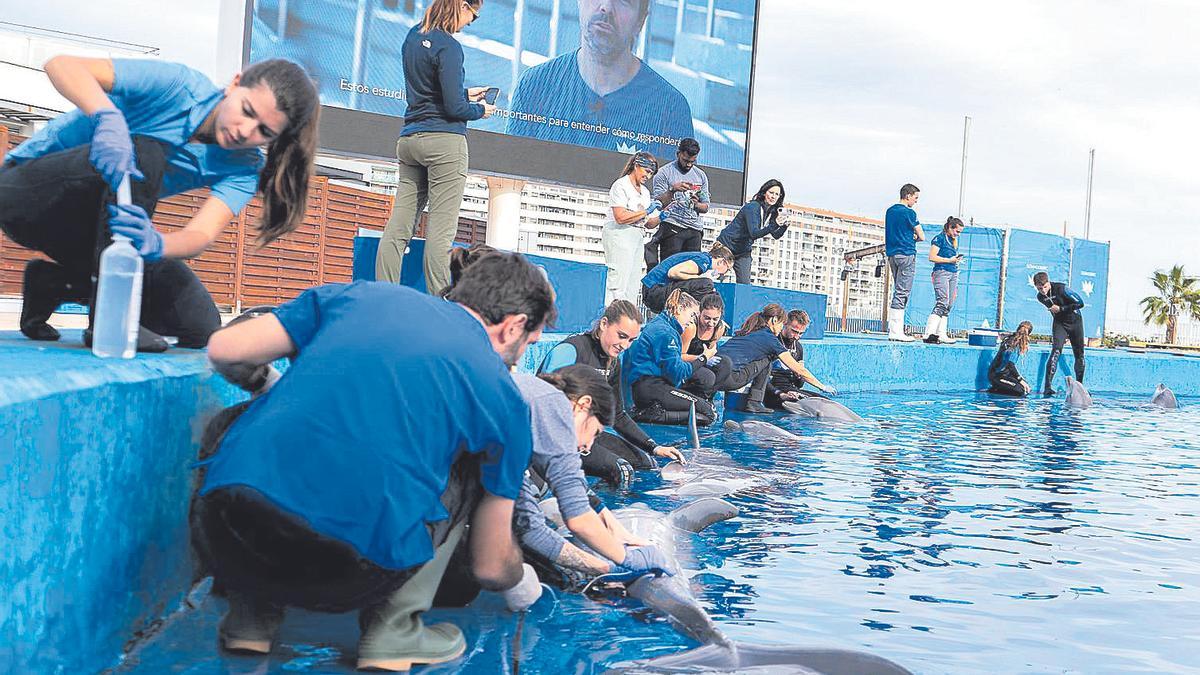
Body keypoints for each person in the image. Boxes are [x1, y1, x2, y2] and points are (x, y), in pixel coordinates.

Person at [192, 252, 555, 671]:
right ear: (513, 326)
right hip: (350, 572)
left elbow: (224, 348)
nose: (519, 359)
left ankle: (250, 620)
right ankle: (393, 633)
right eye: (527, 344)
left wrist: (269, 387)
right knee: (474, 464)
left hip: (228, 537)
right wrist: (521, 581)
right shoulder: (504, 399)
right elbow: (490, 566)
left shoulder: (359, 296)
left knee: (241, 423)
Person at [0, 55, 319, 351]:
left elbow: (201, 236)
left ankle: (54, 283)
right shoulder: (179, 86)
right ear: (234, 84)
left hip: (95, 228)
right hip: (24, 196)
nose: (245, 131)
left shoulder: (243, 166)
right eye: (247, 110)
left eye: (264, 131)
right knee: (147, 151)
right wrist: (107, 117)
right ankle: (111, 319)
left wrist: (157, 243)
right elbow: (61, 65)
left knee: (199, 325)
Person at [375, 0, 496, 293]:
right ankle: (439, 304)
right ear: (462, 6)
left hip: (410, 140)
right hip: (444, 143)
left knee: (398, 228)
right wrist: (480, 110)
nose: (469, 23)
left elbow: (429, 92)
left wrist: (466, 93)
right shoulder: (449, 46)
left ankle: (383, 295)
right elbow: (454, 108)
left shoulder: (412, 37)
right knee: (440, 236)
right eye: (473, 15)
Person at [511, 366, 670, 585]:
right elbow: (547, 526)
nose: (587, 447)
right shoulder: (550, 411)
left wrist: (614, 527)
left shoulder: (526, 399)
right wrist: (617, 563)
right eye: (595, 433)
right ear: (583, 404)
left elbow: (567, 485)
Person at [504, 0, 694, 159]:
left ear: (640, 21)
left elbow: (675, 198)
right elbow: (509, 179)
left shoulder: (671, 108)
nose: (606, 7)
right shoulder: (533, 86)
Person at [540, 300, 685, 487]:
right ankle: (599, 511)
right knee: (621, 469)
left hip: (587, 435)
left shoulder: (613, 362)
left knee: (646, 463)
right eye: (621, 336)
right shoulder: (571, 350)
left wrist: (654, 447)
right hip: (556, 436)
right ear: (604, 324)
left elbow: (618, 415)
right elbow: (544, 405)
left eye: (631, 340)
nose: (625, 345)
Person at [703, 303, 822, 414]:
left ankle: (707, 400)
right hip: (732, 380)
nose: (780, 328)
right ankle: (754, 402)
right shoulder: (770, 339)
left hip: (712, 378)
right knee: (766, 360)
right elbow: (800, 370)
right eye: (781, 324)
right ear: (775, 320)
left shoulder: (749, 331)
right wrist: (822, 386)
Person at [623, 290, 717, 426]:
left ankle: (655, 411)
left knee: (703, 390)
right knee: (708, 413)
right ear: (679, 309)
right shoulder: (665, 333)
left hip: (649, 386)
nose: (692, 321)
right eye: (691, 315)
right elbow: (678, 372)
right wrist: (704, 358)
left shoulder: (662, 324)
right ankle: (648, 415)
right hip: (650, 388)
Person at [602, 152, 661, 304]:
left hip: (637, 235)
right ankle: (611, 314)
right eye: (647, 171)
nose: (648, 176)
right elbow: (620, 216)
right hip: (619, 233)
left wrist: (663, 216)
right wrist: (645, 211)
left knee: (633, 281)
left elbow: (647, 222)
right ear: (636, 166)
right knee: (618, 278)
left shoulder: (645, 192)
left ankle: (627, 317)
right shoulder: (621, 185)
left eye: (651, 174)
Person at [644, 138, 710, 268]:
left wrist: (696, 204)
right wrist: (672, 190)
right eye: (686, 160)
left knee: (690, 274)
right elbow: (659, 204)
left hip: (694, 230)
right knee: (670, 270)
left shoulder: (701, 176)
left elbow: (706, 206)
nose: (689, 165)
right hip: (672, 226)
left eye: (692, 161)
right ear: (678, 154)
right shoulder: (664, 173)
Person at [716, 179, 790, 284]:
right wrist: (775, 224)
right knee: (716, 279)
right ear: (764, 192)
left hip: (743, 251)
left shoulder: (772, 211)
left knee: (745, 284)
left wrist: (784, 226)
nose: (773, 196)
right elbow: (754, 233)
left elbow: (776, 235)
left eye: (777, 194)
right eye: (771, 192)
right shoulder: (753, 207)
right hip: (726, 246)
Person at [763, 309, 836, 409]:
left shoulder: (798, 347)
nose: (797, 336)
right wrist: (822, 387)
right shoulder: (774, 342)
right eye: (794, 331)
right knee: (814, 408)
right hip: (774, 392)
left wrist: (798, 377)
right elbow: (761, 379)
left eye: (801, 333)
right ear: (785, 324)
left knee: (827, 404)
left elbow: (799, 384)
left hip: (792, 391)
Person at [641, 243, 734, 314]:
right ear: (721, 262)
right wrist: (699, 278)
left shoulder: (702, 258)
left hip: (654, 290)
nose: (725, 272)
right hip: (654, 291)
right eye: (727, 269)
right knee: (707, 284)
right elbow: (673, 272)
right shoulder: (704, 261)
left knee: (710, 291)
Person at [1033, 271, 1087, 396]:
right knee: (1056, 351)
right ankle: (1047, 387)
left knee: (1079, 354)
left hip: (1075, 322)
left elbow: (1080, 303)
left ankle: (1080, 387)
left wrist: (1061, 309)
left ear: (1049, 283)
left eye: (1045, 287)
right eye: (1040, 288)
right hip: (1060, 323)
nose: (1043, 291)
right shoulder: (1040, 297)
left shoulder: (1062, 289)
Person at [884, 183, 924, 342]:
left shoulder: (890, 211)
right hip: (907, 254)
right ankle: (895, 332)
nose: (916, 201)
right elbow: (921, 236)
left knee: (898, 290)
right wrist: (915, 238)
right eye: (915, 198)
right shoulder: (910, 213)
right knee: (902, 292)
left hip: (892, 255)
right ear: (908, 195)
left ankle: (895, 330)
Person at [923, 216, 965, 345]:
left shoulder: (953, 241)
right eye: (957, 231)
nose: (958, 234)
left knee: (949, 304)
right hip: (941, 272)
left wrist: (955, 260)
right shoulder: (939, 238)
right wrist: (949, 260)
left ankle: (941, 334)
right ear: (950, 227)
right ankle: (929, 333)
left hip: (953, 272)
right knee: (942, 302)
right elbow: (932, 257)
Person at [988, 321, 1033, 397]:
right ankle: (994, 390)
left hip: (1003, 374)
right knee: (1021, 390)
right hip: (997, 376)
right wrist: (1020, 379)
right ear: (1029, 334)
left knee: (1026, 388)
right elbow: (1010, 364)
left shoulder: (1011, 338)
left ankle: (997, 389)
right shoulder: (1013, 343)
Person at [681, 293, 728, 363]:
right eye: (707, 318)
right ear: (700, 313)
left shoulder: (720, 328)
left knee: (725, 362)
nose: (711, 323)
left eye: (715, 319)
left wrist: (709, 355)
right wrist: (701, 358)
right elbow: (680, 356)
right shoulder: (691, 327)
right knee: (707, 374)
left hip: (703, 360)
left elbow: (710, 350)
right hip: (688, 362)